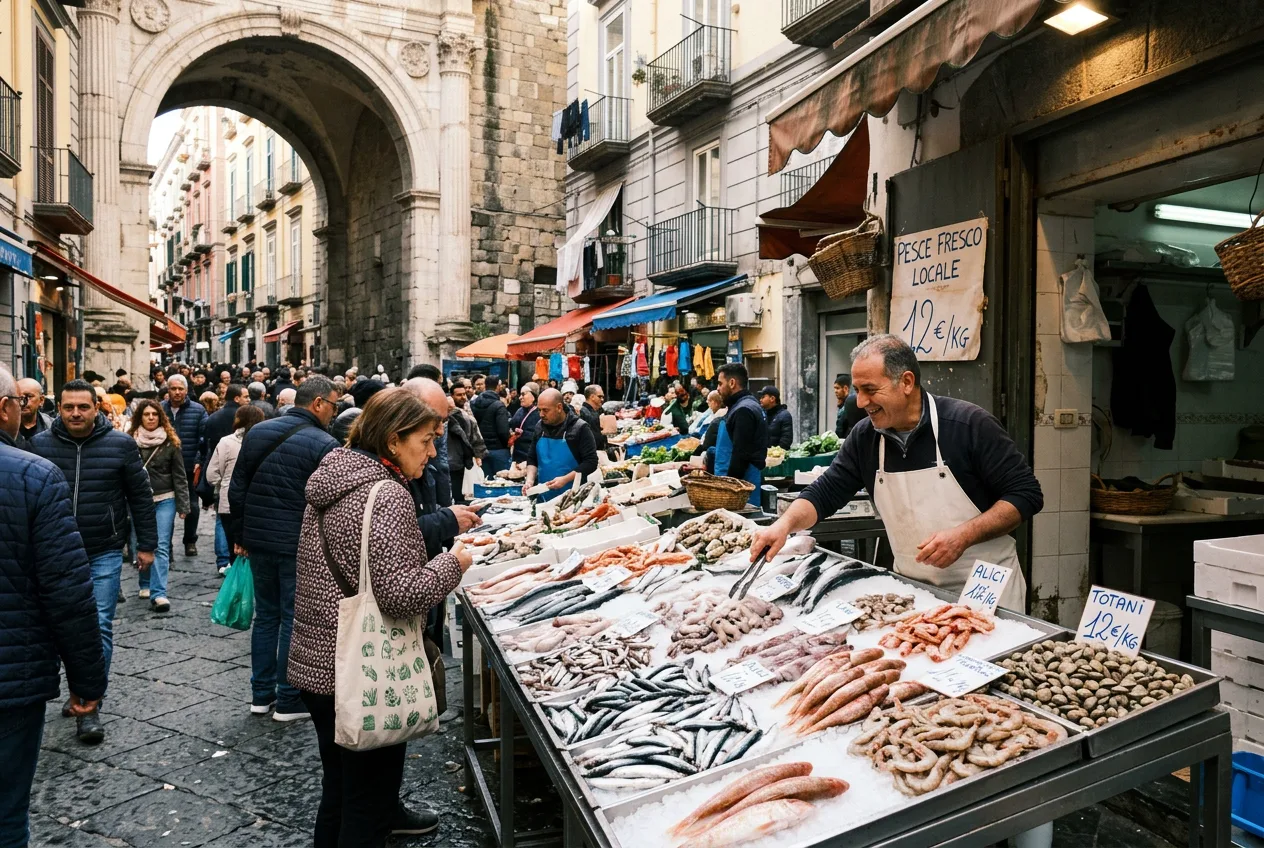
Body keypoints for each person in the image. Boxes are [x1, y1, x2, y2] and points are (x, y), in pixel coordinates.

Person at [289, 388, 473, 844]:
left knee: (340, 788)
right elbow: (400, 596)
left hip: (317, 662)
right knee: (369, 804)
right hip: (363, 672)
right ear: (393, 440)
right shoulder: (385, 493)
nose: (432, 453)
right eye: (426, 440)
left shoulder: (334, 475)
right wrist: (456, 563)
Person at [750, 335, 1041, 609]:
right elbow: (826, 492)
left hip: (984, 587)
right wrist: (784, 525)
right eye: (857, 390)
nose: (861, 402)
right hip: (915, 590)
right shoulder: (865, 437)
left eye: (870, 390)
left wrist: (963, 536)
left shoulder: (968, 425)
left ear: (906, 382)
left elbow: (1026, 495)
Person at [0, 365, 106, 848]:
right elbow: (67, 590)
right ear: (8, 408)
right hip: (10, 678)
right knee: (5, 813)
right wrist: (87, 683)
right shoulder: (33, 475)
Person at [30, 379, 156, 744]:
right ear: (59, 408)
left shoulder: (120, 445)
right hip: (51, 551)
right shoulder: (40, 445)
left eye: (82, 407)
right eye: (68, 407)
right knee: (53, 625)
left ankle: (90, 703)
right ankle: (68, 692)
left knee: (98, 624)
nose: (75, 413)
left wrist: (146, 545)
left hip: (103, 549)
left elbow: (140, 497)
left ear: (96, 408)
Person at [228, 375, 340, 721]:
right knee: (292, 617)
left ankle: (261, 696)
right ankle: (290, 700)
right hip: (296, 544)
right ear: (318, 403)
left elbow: (237, 488)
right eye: (333, 406)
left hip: (259, 540)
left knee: (267, 617)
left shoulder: (259, 432)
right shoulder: (324, 443)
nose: (334, 414)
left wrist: (241, 536)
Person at [128, 400, 191, 612]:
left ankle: (159, 593)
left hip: (166, 498)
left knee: (162, 544)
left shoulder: (171, 442)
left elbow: (179, 476)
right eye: (146, 414)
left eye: (155, 414)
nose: (151, 418)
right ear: (140, 417)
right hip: (139, 500)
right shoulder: (129, 441)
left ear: (161, 417)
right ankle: (144, 583)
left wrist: (183, 504)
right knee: (141, 542)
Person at [206, 404, 266, 575]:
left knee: (235, 548)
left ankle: (238, 587)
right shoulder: (264, 441)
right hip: (257, 501)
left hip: (228, 501)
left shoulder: (226, 442)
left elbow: (211, 475)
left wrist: (225, 483)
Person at [524, 388, 598, 502]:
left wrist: (565, 479)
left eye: (545, 410)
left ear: (559, 407)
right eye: (539, 410)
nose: (541, 414)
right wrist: (529, 481)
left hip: (572, 498)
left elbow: (591, 462)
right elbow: (532, 458)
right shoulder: (539, 427)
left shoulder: (580, 428)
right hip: (543, 497)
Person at [161, 374, 207, 557]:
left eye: (180, 389)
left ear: (186, 390)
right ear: (168, 390)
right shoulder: (159, 409)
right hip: (164, 468)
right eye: (173, 388)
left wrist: (198, 460)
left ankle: (190, 541)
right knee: (166, 507)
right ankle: (166, 545)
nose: (177, 392)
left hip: (188, 465)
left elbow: (203, 439)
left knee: (192, 506)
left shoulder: (198, 410)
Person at [713, 363, 767, 505]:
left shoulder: (743, 410)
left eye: (720, 383)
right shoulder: (746, 405)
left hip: (742, 490)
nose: (717, 389)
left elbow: (741, 454)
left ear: (732, 383)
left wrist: (730, 490)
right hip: (738, 485)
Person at [446, 381, 486, 504]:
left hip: (461, 462)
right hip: (453, 461)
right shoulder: (451, 416)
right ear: (451, 396)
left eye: (464, 394)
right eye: (459, 395)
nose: (463, 397)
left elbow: (475, 436)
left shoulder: (467, 413)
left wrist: (478, 455)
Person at [471, 375, 511, 475]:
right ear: (498, 386)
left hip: (481, 450)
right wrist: (507, 443)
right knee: (501, 481)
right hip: (498, 450)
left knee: (484, 481)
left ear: (485, 385)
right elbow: (503, 431)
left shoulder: (473, 403)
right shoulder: (499, 405)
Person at [509, 383, 540, 467]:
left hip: (530, 458)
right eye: (520, 394)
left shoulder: (540, 413)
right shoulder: (520, 410)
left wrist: (523, 434)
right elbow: (512, 425)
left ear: (534, 396)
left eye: (523, 394)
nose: (520, 397)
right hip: (517, 456)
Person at [15, 377, 50, 447]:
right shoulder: (5, 427)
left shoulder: (52, 427)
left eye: (29, 396)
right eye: (19, 397)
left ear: (41, 400)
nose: (22, 402)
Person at [760, 386, 794, 450]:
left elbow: (786, 440)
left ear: (772, 398)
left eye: (763, 397)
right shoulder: (762, 414)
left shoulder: (784, 415)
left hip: (777, 457)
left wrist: (775, 454)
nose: (760, 400)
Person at [578, 384, 608, 454]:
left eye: (603, 397)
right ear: (592, 397)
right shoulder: (584, 413)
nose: (602, 399)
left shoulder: (593, 411)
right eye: (600, 397)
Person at [834, 373, 864, 440]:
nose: (835, 391)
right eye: (835, 388)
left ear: (845, 388)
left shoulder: (849, 404)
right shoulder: (846, 402)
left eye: (837, 388)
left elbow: (840, 428)